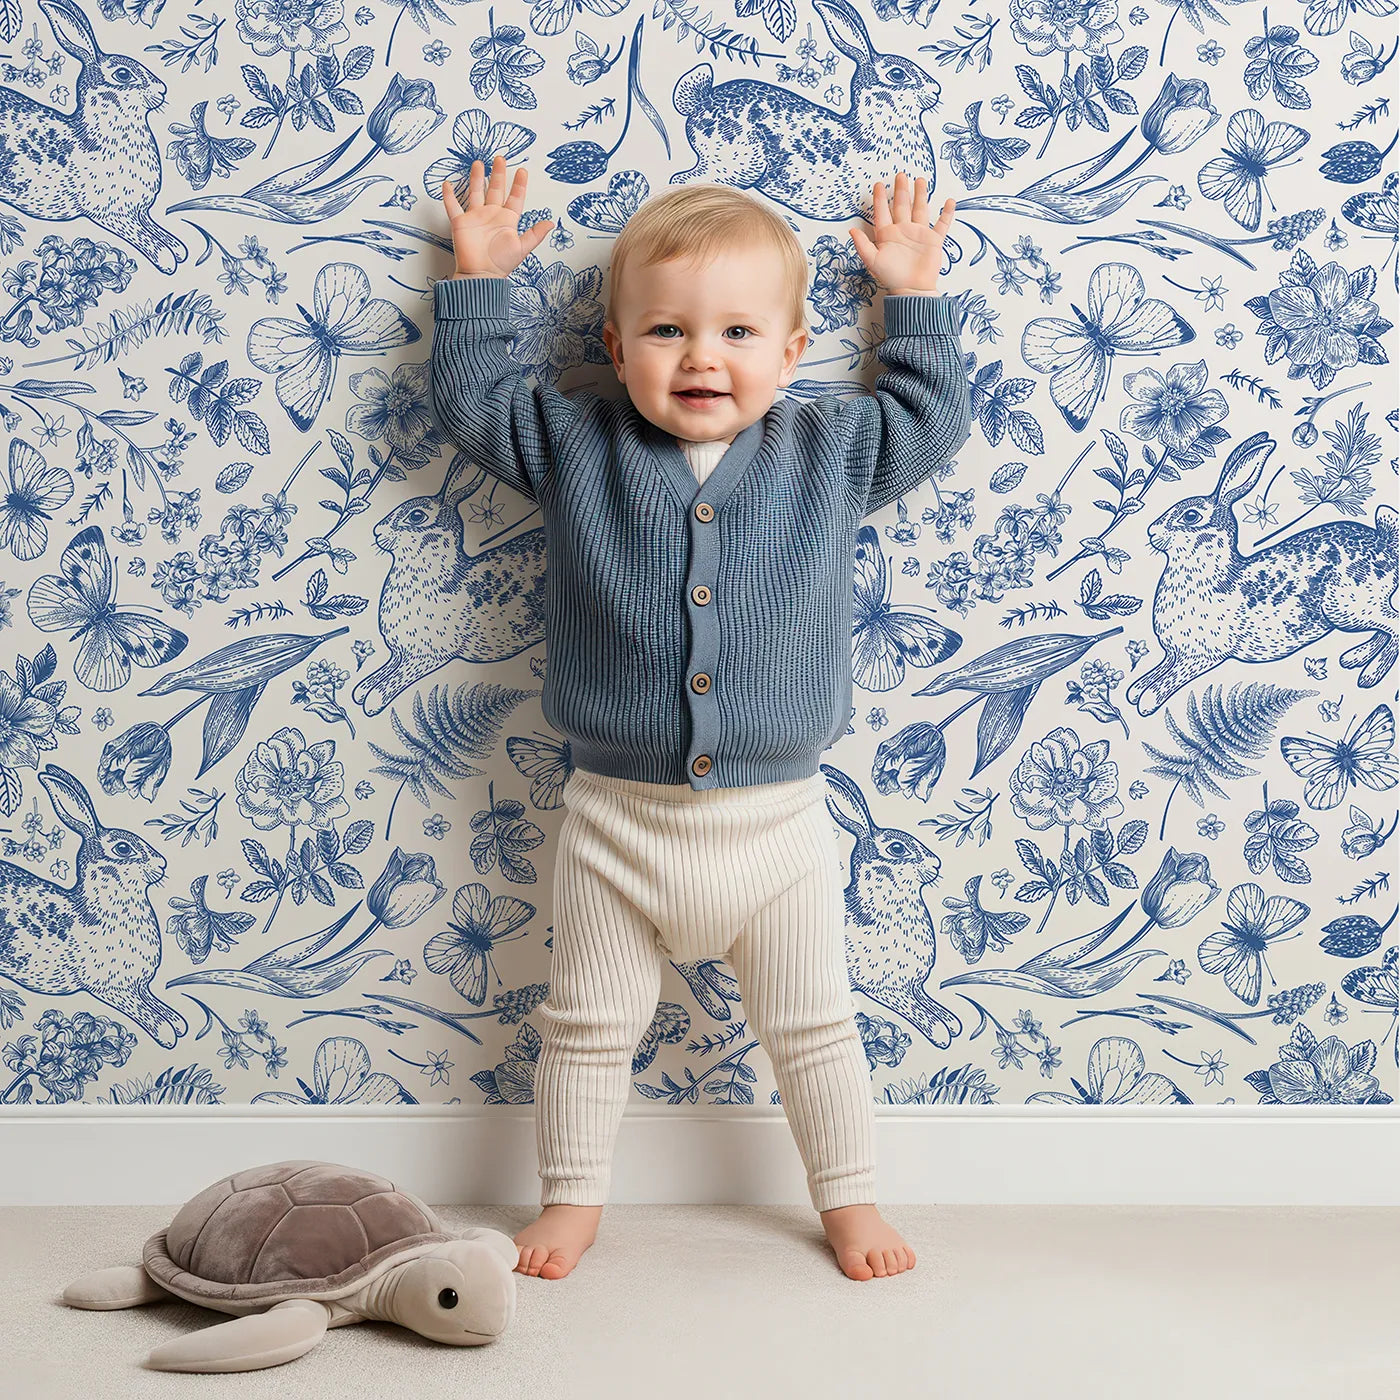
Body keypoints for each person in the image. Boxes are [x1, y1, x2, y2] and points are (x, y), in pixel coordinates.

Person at [434, 155, 969, 1283]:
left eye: (736, 333)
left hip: (777, 827)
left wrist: (912, 296)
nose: (701, 358)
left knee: (813, 1028)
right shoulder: (577, 445)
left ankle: (849, 1198)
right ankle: (571, 1200)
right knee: (585, 1026)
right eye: (667, 331)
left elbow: (927, 419)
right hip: (612, 821)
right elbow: (475, 404)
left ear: (791, 351)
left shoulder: (828, 451)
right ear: (617, 346)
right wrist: (477, 280)